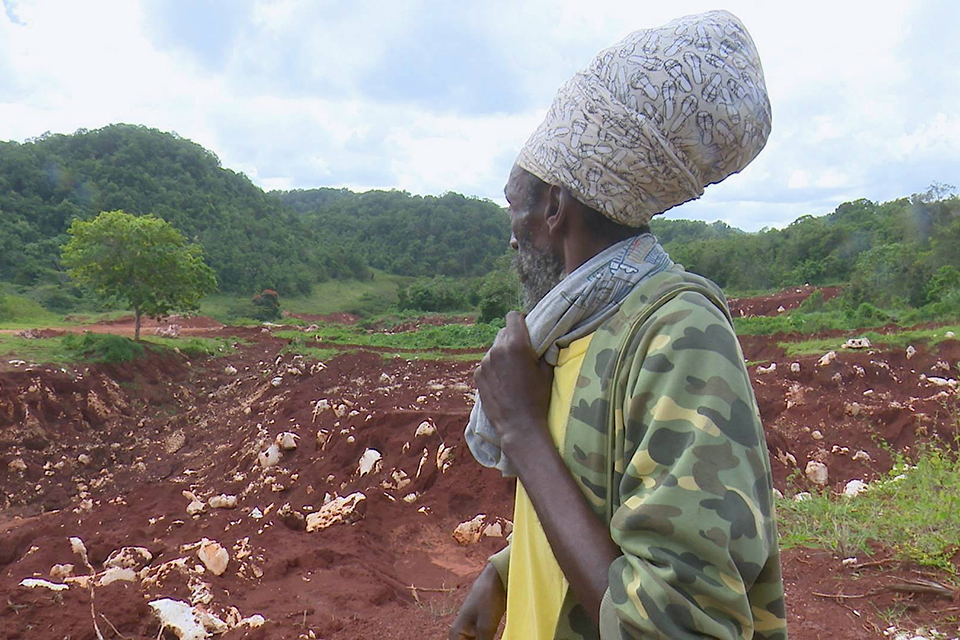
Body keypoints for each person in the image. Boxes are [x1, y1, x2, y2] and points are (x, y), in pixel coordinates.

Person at [451, 10, 787, 640]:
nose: (512, 227)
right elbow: (603, 507)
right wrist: (503, 572)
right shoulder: (580, 331)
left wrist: (522, 430)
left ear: (555, 207)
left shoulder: (680, 338)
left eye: (515, 200)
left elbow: (674, 625)